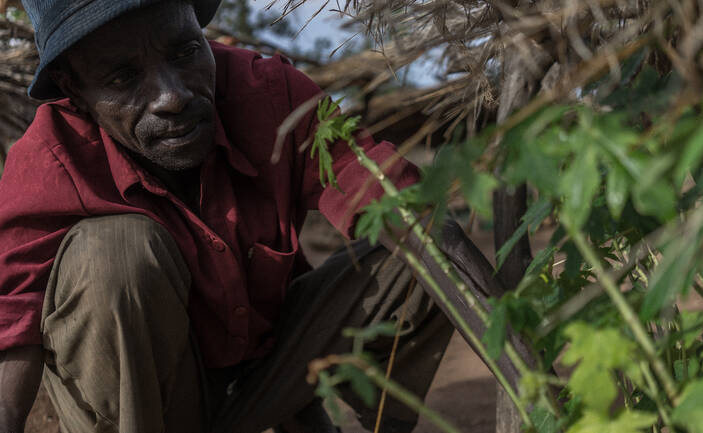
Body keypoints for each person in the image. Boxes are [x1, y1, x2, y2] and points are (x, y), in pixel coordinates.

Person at [0, 1, 463, 432]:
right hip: (147, 405)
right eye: (122, 78)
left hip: (268, 373)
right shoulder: (50, 159)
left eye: (184, 51)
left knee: (425, 244)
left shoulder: (270, 93)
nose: (172, 96)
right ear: (73, 91)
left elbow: (378, 187)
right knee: (114, 252)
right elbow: (13, 315)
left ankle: (363, 420)